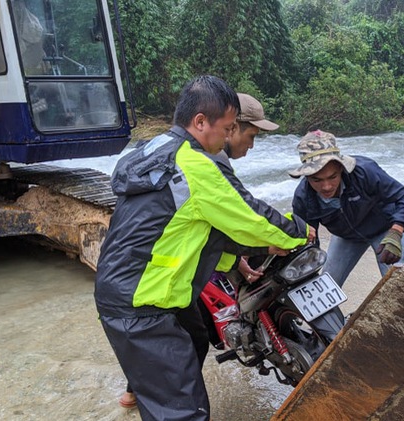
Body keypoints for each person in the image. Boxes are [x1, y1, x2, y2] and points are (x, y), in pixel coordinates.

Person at [95, 75, 312, 421]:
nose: (228, 137)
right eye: (227, 128)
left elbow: (191, 227)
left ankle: (149, 387)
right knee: (185, 412)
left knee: (195, 338)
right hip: (141, 302)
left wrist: (233, 260)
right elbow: (251, 216)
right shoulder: (196, 166)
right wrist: (299, 232)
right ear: (200, 122)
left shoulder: (155, 147)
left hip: (131, 288)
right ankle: (163, 394)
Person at [116, 92, 281, 408]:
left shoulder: (173, 149)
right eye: (251, 134)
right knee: (181, 336)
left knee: (189, 333)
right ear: (231, 128)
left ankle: (138, 391)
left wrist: (237, 261)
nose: (252, 145)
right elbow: (242, 218)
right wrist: (286, 235)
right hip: (159, 273)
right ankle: (162, 397)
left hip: (147, 264)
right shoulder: (208, 162)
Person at [290, 130, 404, 289]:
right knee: (325, 288)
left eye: (333, 177)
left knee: (396, 286)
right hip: (346, 236)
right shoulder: (303, 198)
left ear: (341, 168)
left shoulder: (364, 171)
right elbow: (308, 240)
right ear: (306, 176)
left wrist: (396, 231)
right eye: (317, 180)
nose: (327, 186)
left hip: (385, 229)